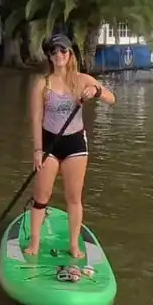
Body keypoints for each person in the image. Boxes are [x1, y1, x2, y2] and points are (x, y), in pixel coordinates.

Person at [26, 32, 114, 274]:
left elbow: (111, 98)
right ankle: (34, 242)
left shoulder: (82, 79)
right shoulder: (42, 84)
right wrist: (36, 149)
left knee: (73, 197)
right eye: (53, 52)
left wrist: (95, 92)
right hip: (49, 144)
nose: (58, 55)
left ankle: (74, 245)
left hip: (75, 144)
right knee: (41, 196)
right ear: (49, 56)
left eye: (62, 50)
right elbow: (35, 119)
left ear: (70, 53)